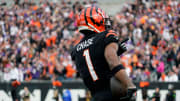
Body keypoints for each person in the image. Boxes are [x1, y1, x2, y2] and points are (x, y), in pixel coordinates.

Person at [71, 6, 136, 101]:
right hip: (112, 93)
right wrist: (129, 84)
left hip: (95, 96)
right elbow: (112, 62)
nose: (105, 24)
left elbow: (94, 64)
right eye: (103, 20)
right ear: (94, 21)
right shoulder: (106, 36)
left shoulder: (76, 50)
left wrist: (117, 52)